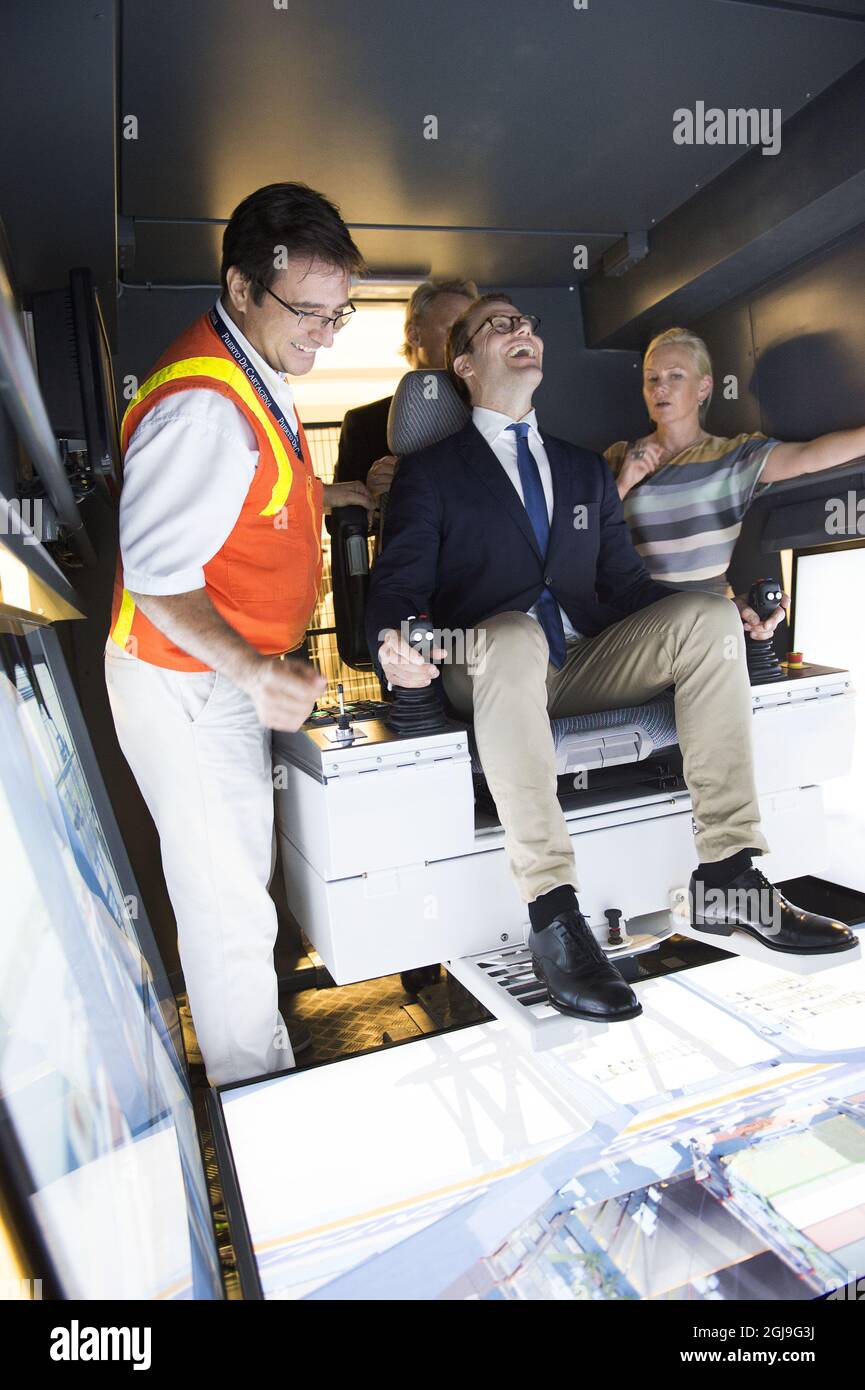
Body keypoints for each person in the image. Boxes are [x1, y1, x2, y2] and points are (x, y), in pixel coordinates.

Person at [366, 294, 855, 1026]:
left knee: (708, 618)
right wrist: (392, 642)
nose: (522, 328)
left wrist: (725, 618)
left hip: (579, 659)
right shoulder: (430, 474)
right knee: (512, 637)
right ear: (464, 365)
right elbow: (397, 588)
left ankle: (729, 876)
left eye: (526, 321)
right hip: (484, 660)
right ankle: (552, 911)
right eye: (500, 324)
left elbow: (624, 588)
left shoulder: (582, 470)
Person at [104, 183, 373, 1087]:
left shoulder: (253, 368)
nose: (323, 335)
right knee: (226, 908)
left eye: (338, 316)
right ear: (243, 285)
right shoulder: (206, 408)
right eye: (308, 311)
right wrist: (253, 672)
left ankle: (258, 1079)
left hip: (214, 679)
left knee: (237, 893)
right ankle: (256, 1105)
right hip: (186, 683)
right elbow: (155, 576)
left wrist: (328, 498)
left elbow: (249, 502)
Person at [605, 326, 865, 640]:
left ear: (703, 388)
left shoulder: (733, 458)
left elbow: (810, 456)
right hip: (638, 622)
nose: (662, 387)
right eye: (652, 378)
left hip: (710, 623)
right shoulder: (619, 457)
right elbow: (579, 539)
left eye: (676, 376)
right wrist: (623, 483)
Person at [334, 278, 477, 500]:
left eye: (472, 333)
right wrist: (372, 497)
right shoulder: (363, 424)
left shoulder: (488, 417)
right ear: (414, 335)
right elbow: (338, 523)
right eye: (453, 330)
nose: (467, 343)